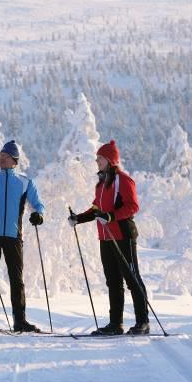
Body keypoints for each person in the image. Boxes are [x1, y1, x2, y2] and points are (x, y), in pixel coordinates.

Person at [68, 140, 150, 335]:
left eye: (100, 158)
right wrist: (78, 218)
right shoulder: (101, 184)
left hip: (123, 236)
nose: (97, 161)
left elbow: (133, 206)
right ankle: (116, 324)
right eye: (97, 158)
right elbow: (97, 209)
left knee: (132, 278)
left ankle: (143, 322)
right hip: (105, 238)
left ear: (110, 160)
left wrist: (111, 216)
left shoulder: (124, 180)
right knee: (113, 281)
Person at [0, 140, 45, 332]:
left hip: (14, 236)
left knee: (16, 279)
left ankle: (19, 320)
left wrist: (38, 214)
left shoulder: (25, 182)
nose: (1, 159)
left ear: (14, 161)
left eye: (5, 157)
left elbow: (38, 204)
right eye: (0, 156)